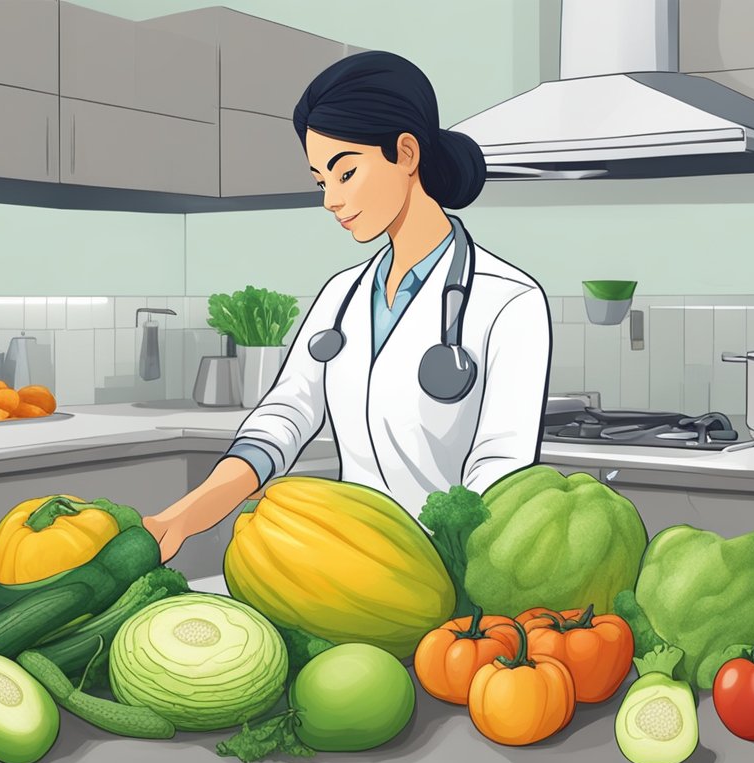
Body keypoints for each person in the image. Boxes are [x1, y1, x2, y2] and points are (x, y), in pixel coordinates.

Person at [144, 51, 551, 562]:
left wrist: (454, 576)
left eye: (344, 173)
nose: (329, 200)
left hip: (456, 581)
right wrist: (183, 517)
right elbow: (284, 417)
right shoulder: (341, 296)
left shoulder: (508, 300)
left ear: (406, 153)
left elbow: (500, 471)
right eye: (320, 181)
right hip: (354, 571)